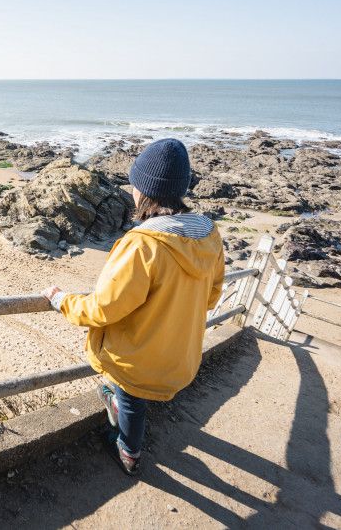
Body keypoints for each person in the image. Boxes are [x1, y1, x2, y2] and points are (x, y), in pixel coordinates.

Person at [41, 138, 224, 476]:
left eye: (133, 184)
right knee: (129, 392)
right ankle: (116, 406)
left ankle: (129, 453)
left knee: (131, 402)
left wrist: (60, 300)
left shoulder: (143, 244)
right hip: (180, 357)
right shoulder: (209, 237)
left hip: (140, 362)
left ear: (144, 190)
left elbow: (104, 308)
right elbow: (211, 297)